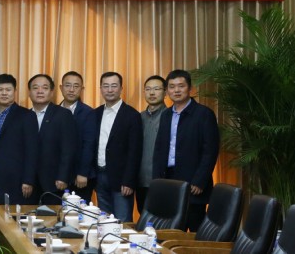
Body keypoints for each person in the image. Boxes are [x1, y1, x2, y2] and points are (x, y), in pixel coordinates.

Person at [153, 69, 219, 232]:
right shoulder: (166, 115)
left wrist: (200, 180)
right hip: (169, 180)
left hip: (193, 182)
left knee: (195, 231)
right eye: (172, 87)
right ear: (167, 91)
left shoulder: (204, 114)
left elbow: (210, 151)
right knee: (171, 230)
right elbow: (159, 149)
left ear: (190, 88)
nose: (176, 90)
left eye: (181, 86)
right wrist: (157, 181)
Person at [93, 71, 142, 222]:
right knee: (104, 220)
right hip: (99, 175)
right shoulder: (95, 113)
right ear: (100, 89)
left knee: (122, 222)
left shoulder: (132, 115)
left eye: (114, 86)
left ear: (121, 88)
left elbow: (135, 151)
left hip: (121, 179)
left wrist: (129, 181)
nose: (110, 90)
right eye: (106, 86)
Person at [0, 74, 38, 205]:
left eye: (8, 90)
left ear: (15, 91)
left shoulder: (27, 115)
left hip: (16, 181)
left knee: (14, 215)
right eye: (0, 89)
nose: (4, 93)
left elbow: (32, 150)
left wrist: (28, 180)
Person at [29, 74, 77, 205]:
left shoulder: (63, 114)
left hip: (54, 181)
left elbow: (68, 149)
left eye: (44, 88)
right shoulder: (25, 116)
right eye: (35, 88)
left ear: (51, 92)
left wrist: (63, 176)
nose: (40, 91)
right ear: (29, 92)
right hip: (29, 183)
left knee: (53, 215)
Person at [59, 71, 97, 203]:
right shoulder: (54, 111)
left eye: (76, 86)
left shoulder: (89, 113)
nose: (71, 90)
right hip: (58, 176)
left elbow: (89, 144)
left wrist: (83, 173)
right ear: (61, 88)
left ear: (82, 89)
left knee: (79, 212)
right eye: (67, 85)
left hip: (80, 177)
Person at [136, 75, 168, 214]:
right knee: (143, 218)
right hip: (140, 180)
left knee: (162, 219)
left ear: (165, 92)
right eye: (148, 89)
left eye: (156, 89)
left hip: (163, 181)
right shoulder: (138, 117)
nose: (152, 93)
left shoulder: (170, 116)